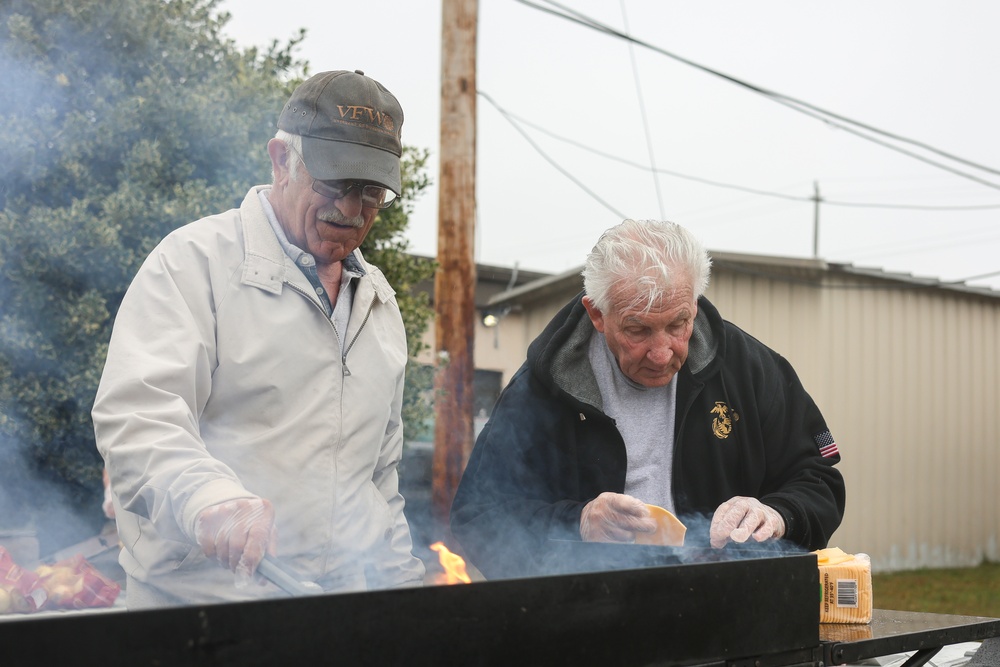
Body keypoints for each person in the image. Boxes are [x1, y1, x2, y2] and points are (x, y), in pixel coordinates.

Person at [92, 70, 425, 608]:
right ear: (280, 159)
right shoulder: (193, 263)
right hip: (199, 611)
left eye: (371, 192)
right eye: (334, 182)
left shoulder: (379, 304)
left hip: (338, 614)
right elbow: (140, 417)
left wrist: (406, 594)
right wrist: (209, 498)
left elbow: (380, 479)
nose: (351, 210)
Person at [450, 219, 846, 579]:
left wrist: (776, 514)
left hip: (730, 614)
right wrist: (579, 523)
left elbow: (819, 481)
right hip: (592, 624)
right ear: (597, 315)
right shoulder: (542, 390)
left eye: (678, 324)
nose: (662, 353)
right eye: (637, 329)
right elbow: (477, 518)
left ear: (694, 303)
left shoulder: (749, 369)